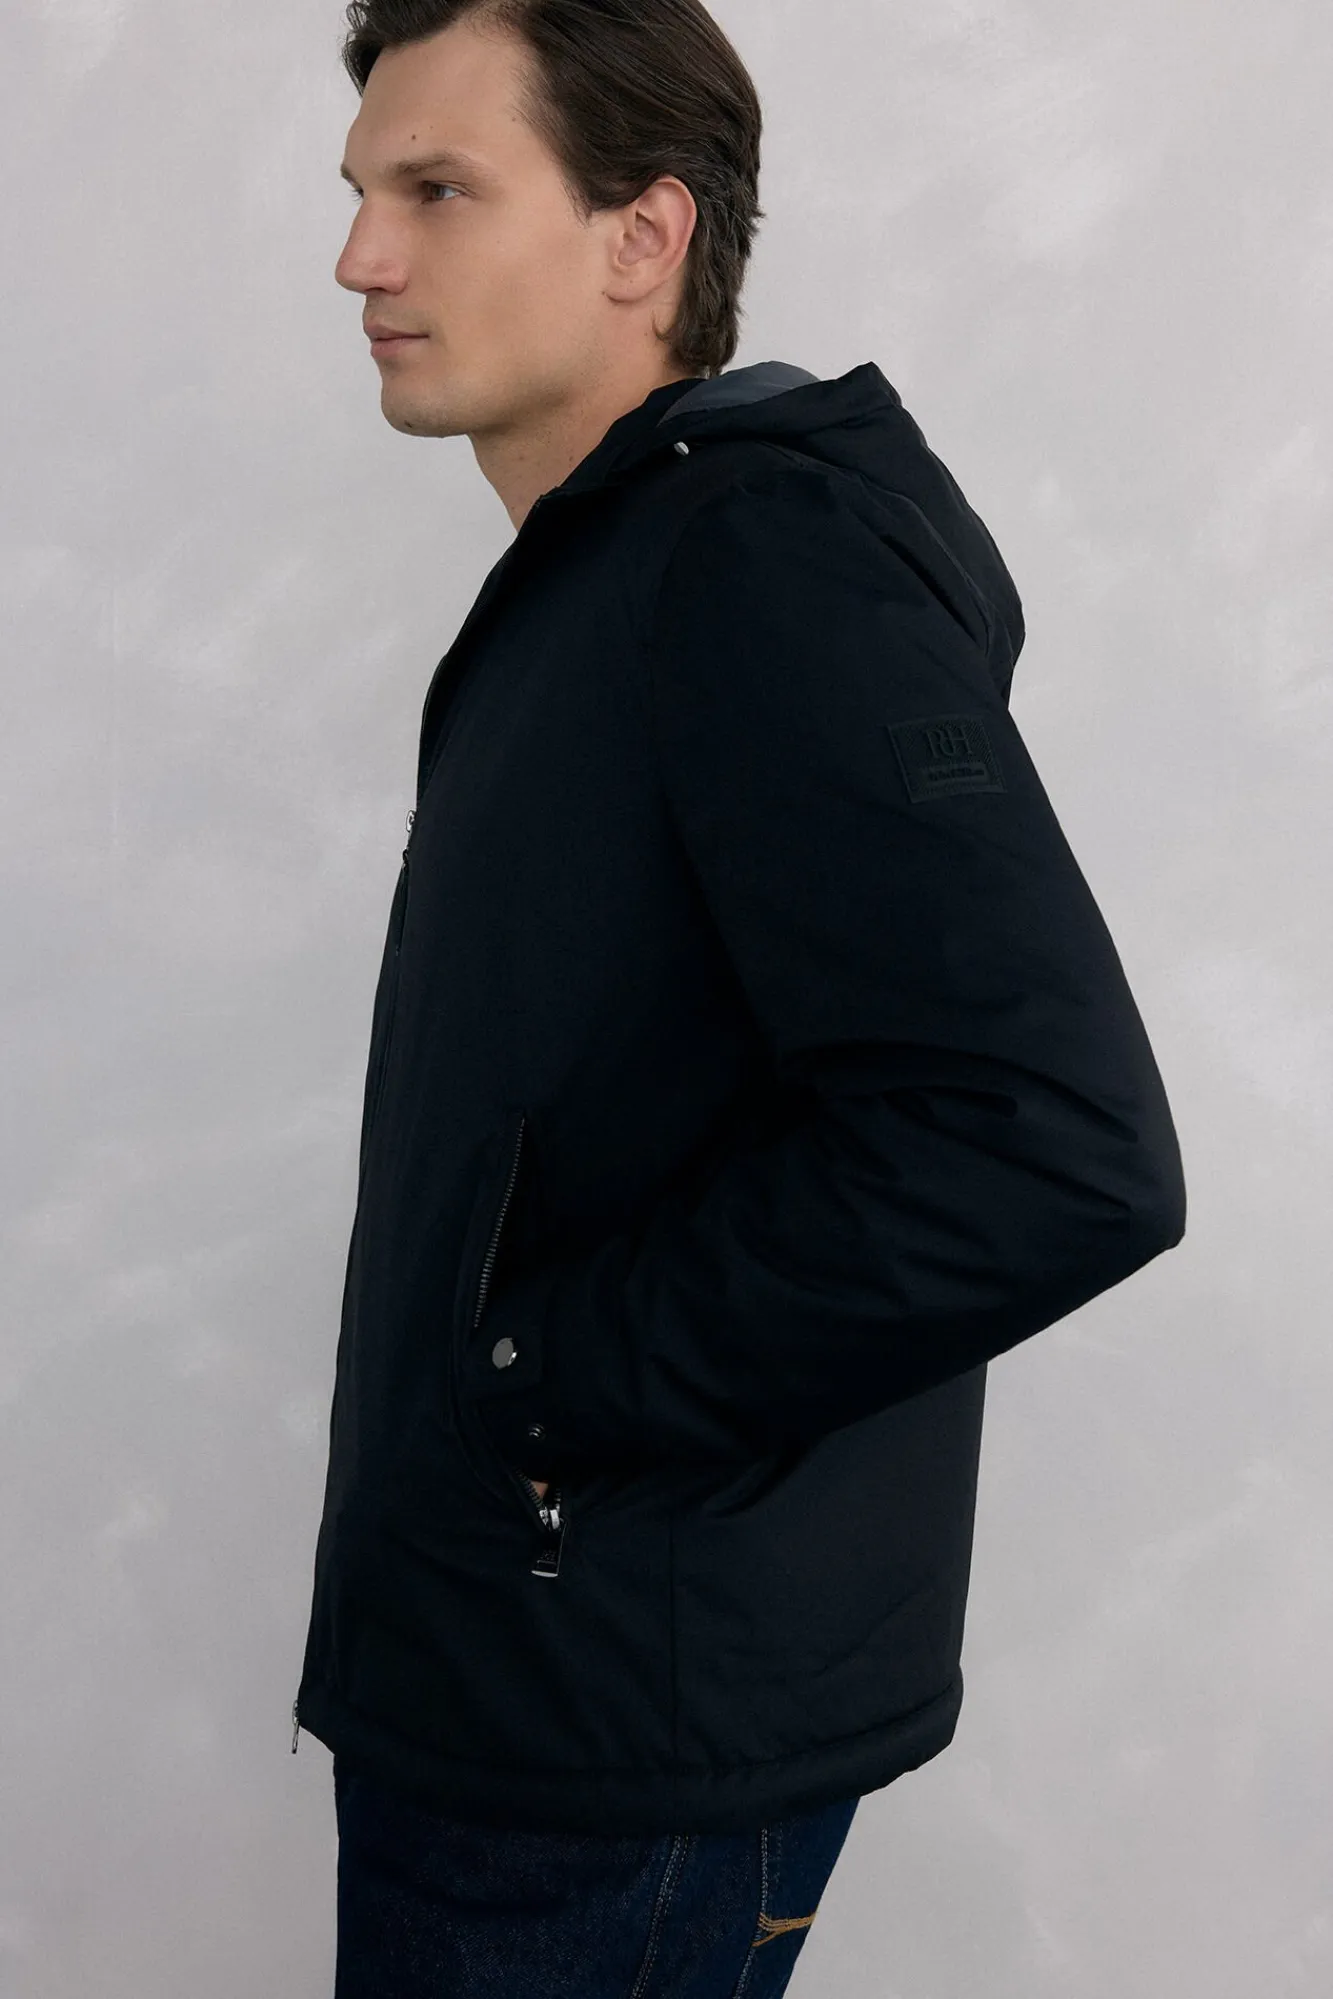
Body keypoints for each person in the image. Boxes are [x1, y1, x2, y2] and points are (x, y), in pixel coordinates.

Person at [293, 3, 1189, 1994]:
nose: (359, 256)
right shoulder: (624, 572)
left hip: (603, 1736)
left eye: (436, 190)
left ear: (645, 235)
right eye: (360, 194)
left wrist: (537, 1383)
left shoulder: (758, 570)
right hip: (540, 1682)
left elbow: (1047, 1143)